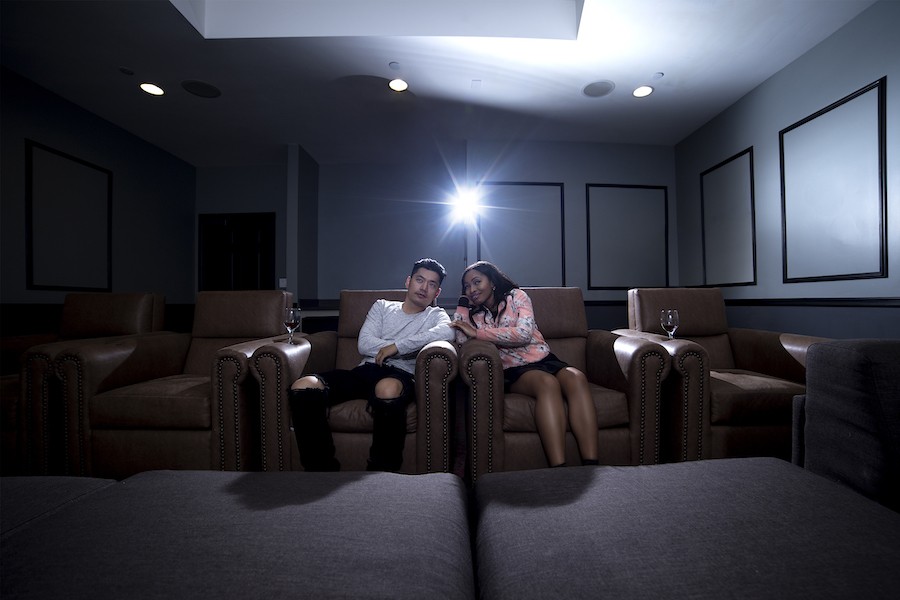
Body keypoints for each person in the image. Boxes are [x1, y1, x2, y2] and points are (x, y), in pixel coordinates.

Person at [288, 258, 454, 472]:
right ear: (408, 281)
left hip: (401, 375)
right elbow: (365, 344)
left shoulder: (435, 315)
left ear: (437, 293)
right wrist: (407, 344)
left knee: (387, 388)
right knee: (303, 386)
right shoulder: (382, 307)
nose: (424, 288)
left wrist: (396, 347)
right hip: (365, 371)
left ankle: (381, 472)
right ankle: (321, 470)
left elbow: (447, 331)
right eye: (419, 280)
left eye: (432, 284)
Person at [450, 261, 599, 468]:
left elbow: (524, 333)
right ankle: (559, 467)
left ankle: (591, 462)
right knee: (547, 383)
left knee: (577, 377)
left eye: (477, 282)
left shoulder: (517, 297)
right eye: (467, 286)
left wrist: (478, 333)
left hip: (543, 358)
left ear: (492, 281)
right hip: (513, 370)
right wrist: (462, 306)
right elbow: (461, 341)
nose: (472, 289)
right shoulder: (473, 316)